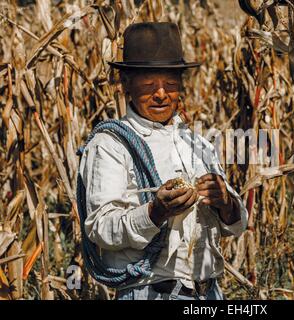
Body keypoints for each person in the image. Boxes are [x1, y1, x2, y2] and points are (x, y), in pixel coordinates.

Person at [78, 22, 248, 300]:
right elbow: (100, 228)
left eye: (170, 84)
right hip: (150, 291)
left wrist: (225, 203)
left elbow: (236, 224)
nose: (160, 94)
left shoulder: (198, 144)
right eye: (149, 85)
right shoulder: (111, 144)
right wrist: (155, 212)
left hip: (209, 292)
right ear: (126, 85)